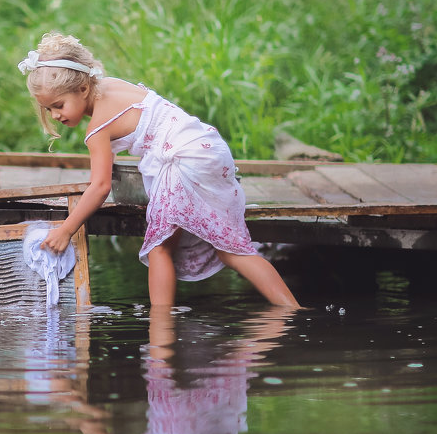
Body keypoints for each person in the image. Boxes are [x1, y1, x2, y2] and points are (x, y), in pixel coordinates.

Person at [18, 32, 299, 308]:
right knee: (231, 250)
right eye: (48, 110)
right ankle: (293, 311)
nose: (55, 115)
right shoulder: (111, 85)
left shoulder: (97, 130)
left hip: (183, 161)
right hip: (209, 148)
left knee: (159, 249)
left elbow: (100, 186)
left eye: (58, 105)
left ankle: (160, 336)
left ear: (82, 89)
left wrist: (67, 229)